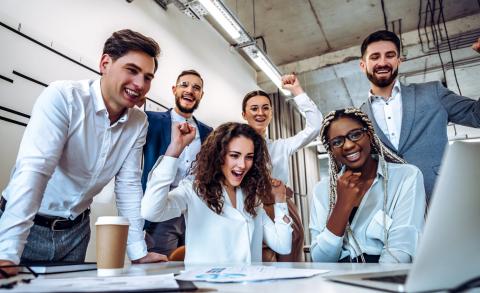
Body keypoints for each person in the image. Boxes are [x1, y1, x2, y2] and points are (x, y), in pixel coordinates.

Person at [0, 29, 167, 277]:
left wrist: (138, 252)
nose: (140, 84)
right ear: (105, 63)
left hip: (76, 233)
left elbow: (128, 185)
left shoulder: (139, 122)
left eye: (148, 77)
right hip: (26, 225)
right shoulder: (64, 97)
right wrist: (7, 252)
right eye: (132, 70)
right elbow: (35, 170)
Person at [141, 122, 292, 263]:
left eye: (249, 157)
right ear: (219, 156)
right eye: (234, 155)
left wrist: (280, 200)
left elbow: (283, 246)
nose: (242, 165)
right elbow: (151, 211)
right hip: (207, 287)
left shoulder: (251, 197)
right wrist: (174, 150)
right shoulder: (193, 190)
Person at [359, 30, 480, 201]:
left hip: (442, 199)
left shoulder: (433, 93)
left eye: (390, 55)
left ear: (399, 61)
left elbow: (477, 115)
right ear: (363, 65)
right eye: (375, 57)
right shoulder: (358, 118)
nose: (383, 62)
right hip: (394, 210)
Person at [309, 108, 426, 263]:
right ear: (331, 150)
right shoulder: (323, 190)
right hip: (337, 279)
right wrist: (342, 206)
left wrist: (374, 284)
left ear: (369, 135)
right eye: (337, 142)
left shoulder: (406, 177)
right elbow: (320, 259)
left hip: (385, 277)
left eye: (356, 134)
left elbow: (401, 249)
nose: (348, 145)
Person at [242, 74, 323, 261]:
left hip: (282, 205)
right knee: (259, 262)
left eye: (265, 108)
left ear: (271, 113)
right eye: (254, 108)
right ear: (244, 114)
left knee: (290, 259)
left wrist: (297, 91)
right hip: (250, 208)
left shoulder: (281, 146)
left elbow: (315, 127)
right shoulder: (234, 147)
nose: (260, 113)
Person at [141, 69, 212, 257]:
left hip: (195, 212)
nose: (190, 90)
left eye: (196, 88)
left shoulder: (208, 132)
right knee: (160, 272)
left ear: (201, 95)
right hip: (161, 208)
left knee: (194, 266)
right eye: (185, 85)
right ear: (174, 89)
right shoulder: (151, 121)